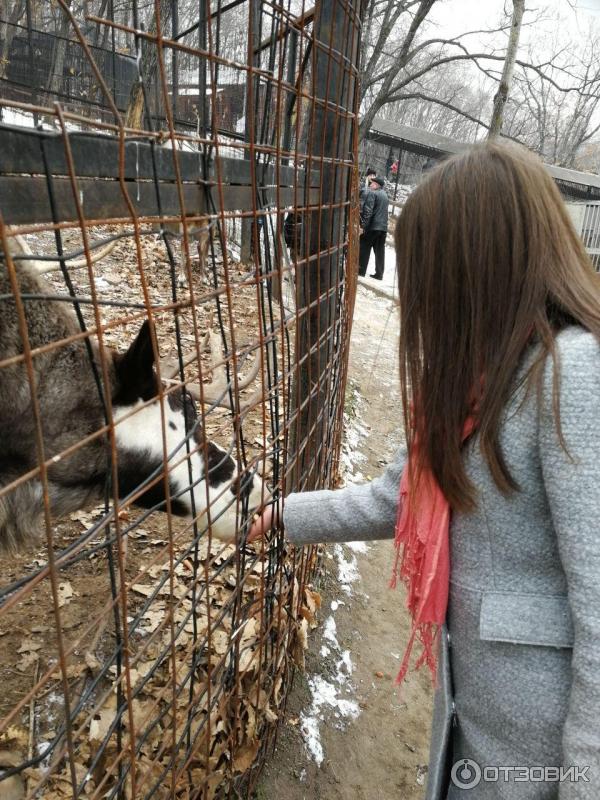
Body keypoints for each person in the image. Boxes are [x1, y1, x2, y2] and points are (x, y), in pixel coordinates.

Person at [249, 141, 600, 799]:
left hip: (543, 759)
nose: (422, 296)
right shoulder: (478, 382)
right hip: (473, 727)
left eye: (431, 272)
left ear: (478, 267)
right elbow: (396, 499)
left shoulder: (571, 376)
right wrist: (280, 513)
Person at [359, 175, 389, 280]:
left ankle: (360, 270)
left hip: (373, 227)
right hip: (383, 228)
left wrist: (363, 226)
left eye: (372, 184)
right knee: (380, 251)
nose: (370, 185)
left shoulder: (372, 193)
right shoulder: (385, 195)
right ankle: (379, 274)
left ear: (376, 185)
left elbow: (368, 211)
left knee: (364, 247)